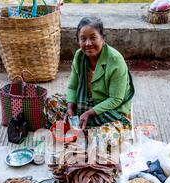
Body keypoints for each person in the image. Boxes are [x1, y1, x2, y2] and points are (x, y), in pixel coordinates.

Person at [46, 16, 134, 144]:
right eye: (83, 39)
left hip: (110, 111)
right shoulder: (79, 56)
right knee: (52, 102)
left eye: (93, 37)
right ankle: (84, 129)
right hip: (85, 104)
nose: (88, 43)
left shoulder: (115, 60)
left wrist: (89, 113)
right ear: (78, 41)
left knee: (102, 139)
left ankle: (87, 132)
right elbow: (72, 87)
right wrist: (70, 108)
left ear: (102, 38)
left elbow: (116, 99)